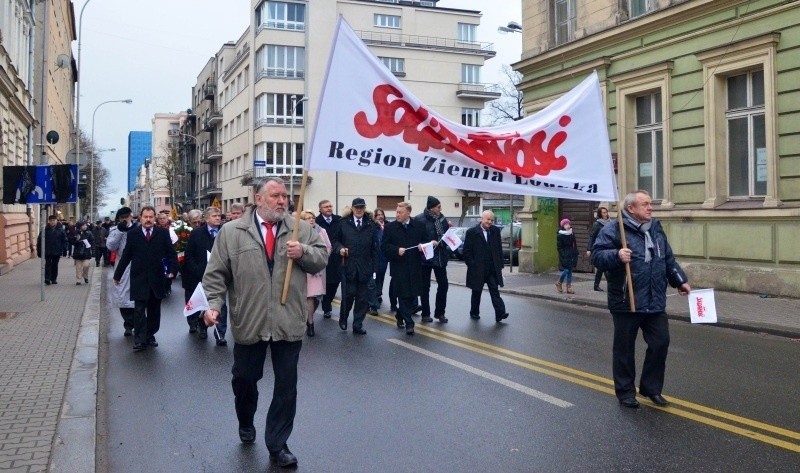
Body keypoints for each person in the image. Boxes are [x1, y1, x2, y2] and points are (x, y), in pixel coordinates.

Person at [202, 178, 328, 468]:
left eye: (284, 196)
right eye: (275, 196)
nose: (282, 200)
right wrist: (213, 306)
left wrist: (304, 252)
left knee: (286, 385)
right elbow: (216, 274)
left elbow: (321, 258)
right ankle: (245, 420)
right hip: (250, 320)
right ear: (258, 199)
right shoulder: (232, 232)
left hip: (288, 322)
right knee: (245, 380)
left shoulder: (302, 229)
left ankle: (277, 444)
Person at [591, 190, 690, 409]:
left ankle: (651, 388)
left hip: (654, 299)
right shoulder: (614, 228)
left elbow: (667, 258)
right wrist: (616, 256)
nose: (650, 207)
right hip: (627, 300)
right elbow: (597, 255)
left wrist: (680, 280)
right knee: (624, 350)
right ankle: (626, 392)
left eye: (650, 204)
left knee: (660, 342)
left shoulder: (655, 228)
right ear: (630, 209)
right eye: (645, 204)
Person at [113, 205, 178, 351]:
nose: (148, 220)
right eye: (145, 217)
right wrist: (118, 275)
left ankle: (150, 335)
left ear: (154, 218)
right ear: (140, 218)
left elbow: (170, 254)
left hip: (157, 278)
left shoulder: (162, 233)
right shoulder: (133, 234)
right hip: (139, 278)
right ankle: (139, 340)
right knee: (139, 310)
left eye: (151, 217)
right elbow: (126, 256)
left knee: (154, 310)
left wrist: (172, 270)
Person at [183, 207, 227, 344]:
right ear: (206, 219)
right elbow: (188, 255)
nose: (218, 218)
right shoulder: (197, 234)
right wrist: (197, 270)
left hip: (220, 275)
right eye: (214, 216)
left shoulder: (224, 232)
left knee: (220, 303)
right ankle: (202, 327)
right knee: (203, 303)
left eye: (219, 215)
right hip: (199, 275)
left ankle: (220, 334)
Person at [333, 198, 377, 335]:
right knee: (348, 295)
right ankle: (344, 319)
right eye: (357, 207)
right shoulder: (343, 223)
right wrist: (340, 248)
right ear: (352, 208)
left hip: (365, 267)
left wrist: (374, 268)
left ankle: (358, 324)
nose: (359, 210)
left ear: (365, 208)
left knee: (362, 299)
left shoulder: (371, 224)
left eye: (361, 207)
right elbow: (335, 241)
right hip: (348, 266)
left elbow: (375, 247)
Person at [382, 202, 426, 335]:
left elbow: (426, 241)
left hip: (415, 266)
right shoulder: (390, 227)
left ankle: (400, 315)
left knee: (412, 297)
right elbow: (384, 246)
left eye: (400, 212)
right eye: (396, 212)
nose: (397, 215)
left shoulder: (418, 226)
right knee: (402, 295)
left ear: (408, 213)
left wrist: (422, 246)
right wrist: (396, 250)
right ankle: (409, 323)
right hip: (399, 267)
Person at [463, 210, 509, 323]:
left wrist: (500, 265)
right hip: (478, 268)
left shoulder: (495, 231)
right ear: (481, 219)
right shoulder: (472, 232)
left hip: (491, 268)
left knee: (494, 290)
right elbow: (466, 252)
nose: (490, 222)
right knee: (476, 291)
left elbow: (498, 249)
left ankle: (500, 313)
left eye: (491, 220)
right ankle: (474, 312)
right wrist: (472, 265)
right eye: (488, 219)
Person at [414, 196, 450, 323]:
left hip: (440, 256)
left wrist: (449, 238)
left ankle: (440, 313)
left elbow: (445, 235)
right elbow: (416, 239)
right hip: (426, 257)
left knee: (444, 285)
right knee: (425, 286)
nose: (440, 209)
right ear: (431, 208)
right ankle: (425, 313)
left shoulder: (442, 218)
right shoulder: (419, 219)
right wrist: (429, 243)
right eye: (438, 207)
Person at [300, 210, 331, 337]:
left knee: (316, 297)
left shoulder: (321, 231)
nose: (311, 220)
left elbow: (328, 247)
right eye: (308, 218)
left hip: (318, 269)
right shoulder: (299, 232)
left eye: (312, 217)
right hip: (304, 269)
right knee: (309, 297)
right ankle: (310, 324)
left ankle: (309, 317)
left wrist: (321, 259)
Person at [107, 207, 136, 337]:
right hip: (122, 266)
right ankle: (128, 324)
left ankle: (138, 323)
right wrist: (119, 231)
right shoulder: (114, 230)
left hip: (137, 264)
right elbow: (111, 246)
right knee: (123, 296)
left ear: (131, 216)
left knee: (138, 296)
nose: (125, 220)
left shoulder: (137, 229)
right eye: (122, 218)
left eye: (127, 217)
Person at [315, 199, 342, 319]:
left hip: (336, 256)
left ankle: (328, 301)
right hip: (323, 256)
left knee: (335, 282)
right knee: (325, 283)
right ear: (320, 209)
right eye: (326, 207)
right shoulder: (316, 222)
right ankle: (326, 306)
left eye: (330, 206)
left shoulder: (339, 220)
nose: (329, 208)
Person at [368, 208, 388, 314]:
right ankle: (373, 301)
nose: (380, 216)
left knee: (381, 277)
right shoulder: (373, 227)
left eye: (382, 214)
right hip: (375, 257)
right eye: (378, 215)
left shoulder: (388, 226)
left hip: (384, 257)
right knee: (373, 279)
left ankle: (378, 295)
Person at [37, 214, 67, 285]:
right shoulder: (45, 230)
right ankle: (47, 278)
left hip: (57, 250)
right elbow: (40, 241)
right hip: (47, 250)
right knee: (47, 265)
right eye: (51, 220)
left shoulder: (60, 230)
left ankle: (53, 278)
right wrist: (39, 251)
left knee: (54, 265)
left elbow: (64, 240)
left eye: (54, 220)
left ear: (56, 221)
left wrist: (65, 250)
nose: (52, 222)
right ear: (49, 221)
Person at [586, 206, 611, 291]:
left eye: (606, 212)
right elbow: (592, 236)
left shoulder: (610, 222)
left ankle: (597, 286)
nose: (605, 214)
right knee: (603, 267)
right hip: (599, 248)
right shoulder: (597, 224)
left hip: (608, 248)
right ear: (600, 214)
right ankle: (607, 285)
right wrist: (589, 249)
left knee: (603, 268)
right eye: (603, 213)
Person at [556, 218, 578, 294]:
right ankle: (559, 282)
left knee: (570, 271)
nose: (567, 225)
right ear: (562, 226)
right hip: (564, 254)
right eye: (565, 224)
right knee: (566, 270)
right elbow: (559, 247)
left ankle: (569, 287)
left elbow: (574, 243)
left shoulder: (572, 233)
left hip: (571, 253)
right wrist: (563, 254)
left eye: (568, 224)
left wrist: (575, 252)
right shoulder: (560, 235)